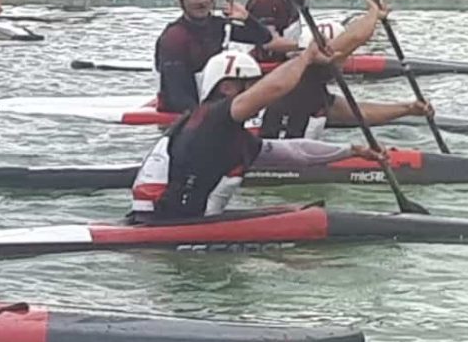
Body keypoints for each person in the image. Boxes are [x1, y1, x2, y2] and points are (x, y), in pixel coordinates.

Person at [130, 48, 386, 222]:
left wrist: (351, 151)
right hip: (165, 226)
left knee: (295, 213)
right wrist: (305, 57)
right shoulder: (213, 117)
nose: (256, 93)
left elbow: (295, 152)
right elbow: (275, 87)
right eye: (251, 86)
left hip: (180, 220)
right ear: (228, 87)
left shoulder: (225, 132)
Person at [258, 0, 433, 140]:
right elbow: (355, 37)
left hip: (296, 154)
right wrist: (373, 14)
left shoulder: (310, 86)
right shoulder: (310, 72)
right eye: (344, 56)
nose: (345, 61)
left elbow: (359, 113)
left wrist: (408, 109)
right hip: (278, 159)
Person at [155, 0, 293, 114]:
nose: (201, 1)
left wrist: (247, 19)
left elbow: (264, 38)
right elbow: (176, 92)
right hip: (180, 112)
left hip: (208, 105)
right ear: (181, 2)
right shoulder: (173, 38)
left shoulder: (219, 26)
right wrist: (201, 118)